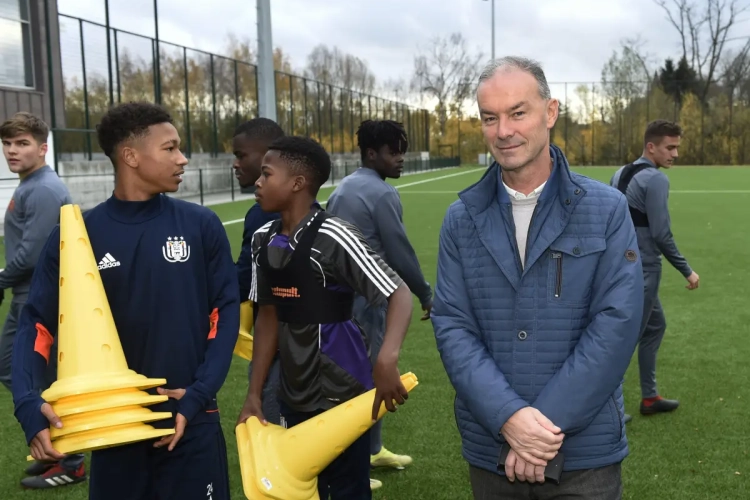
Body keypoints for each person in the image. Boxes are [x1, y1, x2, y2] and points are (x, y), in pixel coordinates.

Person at [430, 56, 644, 499]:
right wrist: (508, 418)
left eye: (517, 112)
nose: (503, 130)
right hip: (492, 450)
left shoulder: (606, 209)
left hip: (584, 455)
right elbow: (453, 326)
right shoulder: (460, 218)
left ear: (550, 113)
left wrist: (539, 431)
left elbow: (616, 324)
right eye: (491, 118)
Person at [11, 102, 239, 499]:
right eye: (170, 148)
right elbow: (37, 324)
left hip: (190, 420)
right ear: (131, 156)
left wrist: (199, 394)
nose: (182, 158)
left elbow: (225, 313)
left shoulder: (200, 225)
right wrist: (27, 403)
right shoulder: (80, 233)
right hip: (111, 429)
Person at [236, 135, 413, 499]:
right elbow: (267, 314)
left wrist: (387, 357)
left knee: (346, 487)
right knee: (298, 483)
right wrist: (255, 393)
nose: (258, 181)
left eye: (267, 174)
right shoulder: (261, 239)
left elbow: (398, 293)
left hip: (341, 388)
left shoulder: (334, 235)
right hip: (289, 387)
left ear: (298, 183)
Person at [326, 119, 431, 481]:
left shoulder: (346, 186)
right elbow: (399, 255)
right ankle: (353, 464)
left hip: (342, 297)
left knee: (359, 375)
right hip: (366, 300)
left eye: (402, 150)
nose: (400, 158)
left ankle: (371, 451)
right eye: (393, 152)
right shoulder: (382, 193)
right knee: (364, 378)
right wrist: (426, 293)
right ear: (372, 154)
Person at [0, 112, 83, 489]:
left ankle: (70, 457)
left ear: (43, 148)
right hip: (26, 296)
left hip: (38, 299)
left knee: (33, 377)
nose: (12, 151)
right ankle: (57, 448)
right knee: (21, 373)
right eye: (7, 144)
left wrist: (2, 277)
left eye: (22, 143)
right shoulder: (31, 185)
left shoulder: (44, 189)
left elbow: (33, 254)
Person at [610, 119, 699, 424]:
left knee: (654, 326)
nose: (675, 154)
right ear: (651, 147)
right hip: (644, 267)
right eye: (669, 147)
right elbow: (661, 234)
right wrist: (687, 270)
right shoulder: (656, 180)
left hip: (619, 264)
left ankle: (650, 397)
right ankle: (610, 409)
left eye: (676, 147)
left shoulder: (619, 172)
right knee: (627, 337)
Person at [232, 117, 284, 426]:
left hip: (278, 348)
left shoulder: (262, 215)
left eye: (241, 155)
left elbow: (245, 282)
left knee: (274, 424)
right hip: (315, 350)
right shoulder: (309, 209)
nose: (236, 164)